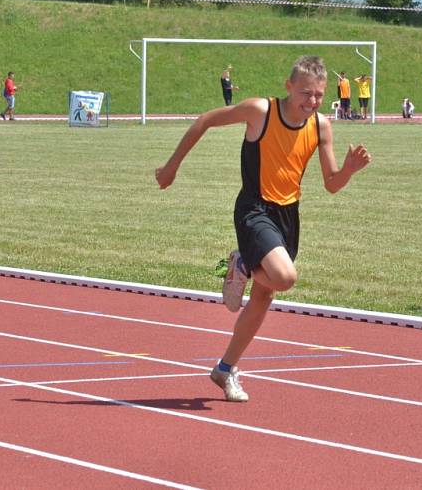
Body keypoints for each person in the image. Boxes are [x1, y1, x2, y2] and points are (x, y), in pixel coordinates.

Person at [155, 56, 372, 402]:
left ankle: (225, 369)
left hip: (289, 216)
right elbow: (205, 121)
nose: (311, 102)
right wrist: (171, 167)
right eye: (305, 94)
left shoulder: (321, 126)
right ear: (288, 87)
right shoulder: (261, 111)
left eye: (318, 95)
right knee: (284, 277)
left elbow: (331, 184)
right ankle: (242, 263)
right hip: (254, 209)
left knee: (265, 294)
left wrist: (348, 170)